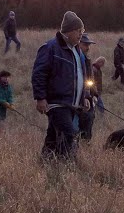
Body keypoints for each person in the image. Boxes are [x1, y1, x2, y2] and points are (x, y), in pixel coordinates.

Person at [32, 10, 92, 160]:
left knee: (53, 138)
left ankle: (45, 162)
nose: (81, 34)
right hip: (57, 103)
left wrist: (85, 96)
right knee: (68, 134)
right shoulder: (50, 48)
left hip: (72, 105)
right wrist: (40, 98)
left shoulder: (77, 51)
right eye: (78, 30)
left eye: (82, 30)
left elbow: (82, 76)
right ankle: (66, 166)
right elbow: (39, 74)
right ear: (69, 31)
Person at [79, 56, 106, 141]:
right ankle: (101, 117)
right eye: (102, 63)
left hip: (95, 92)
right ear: (99, 62)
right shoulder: (94, 69)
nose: (102, 65)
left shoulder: (97, 69)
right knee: (100, 106)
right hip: (93, 93)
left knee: (95, 107)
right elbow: (91, 83)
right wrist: (95, 92)